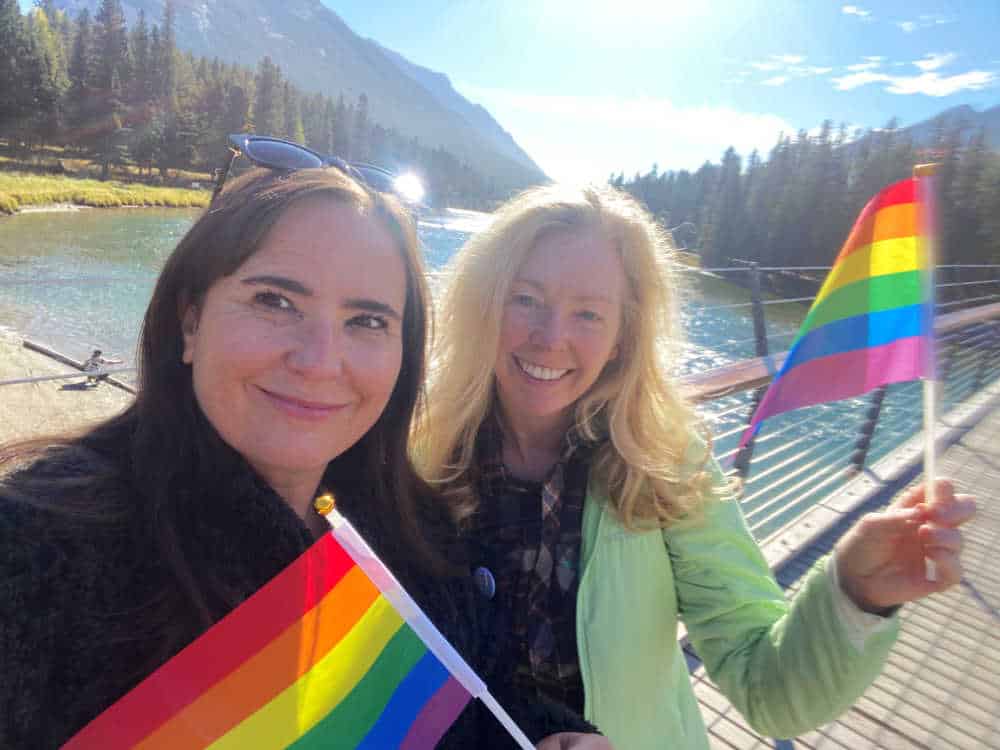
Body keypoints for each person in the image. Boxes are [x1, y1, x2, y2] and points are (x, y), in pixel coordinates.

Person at [0, 166, 608, 750]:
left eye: (367, 319)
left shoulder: (417, 543)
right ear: (191, 322)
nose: (320, 360)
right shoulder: (35, 551)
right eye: (275, 301)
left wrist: (554, 733)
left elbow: (475, 704)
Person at [415, 183, 977, 750]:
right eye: (526, 298)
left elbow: (769, 690)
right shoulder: (419, 452)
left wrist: (854, 594)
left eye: (588, 313)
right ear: (483, 301)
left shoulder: (661, 462)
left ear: (622, 338)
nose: (551, 337)